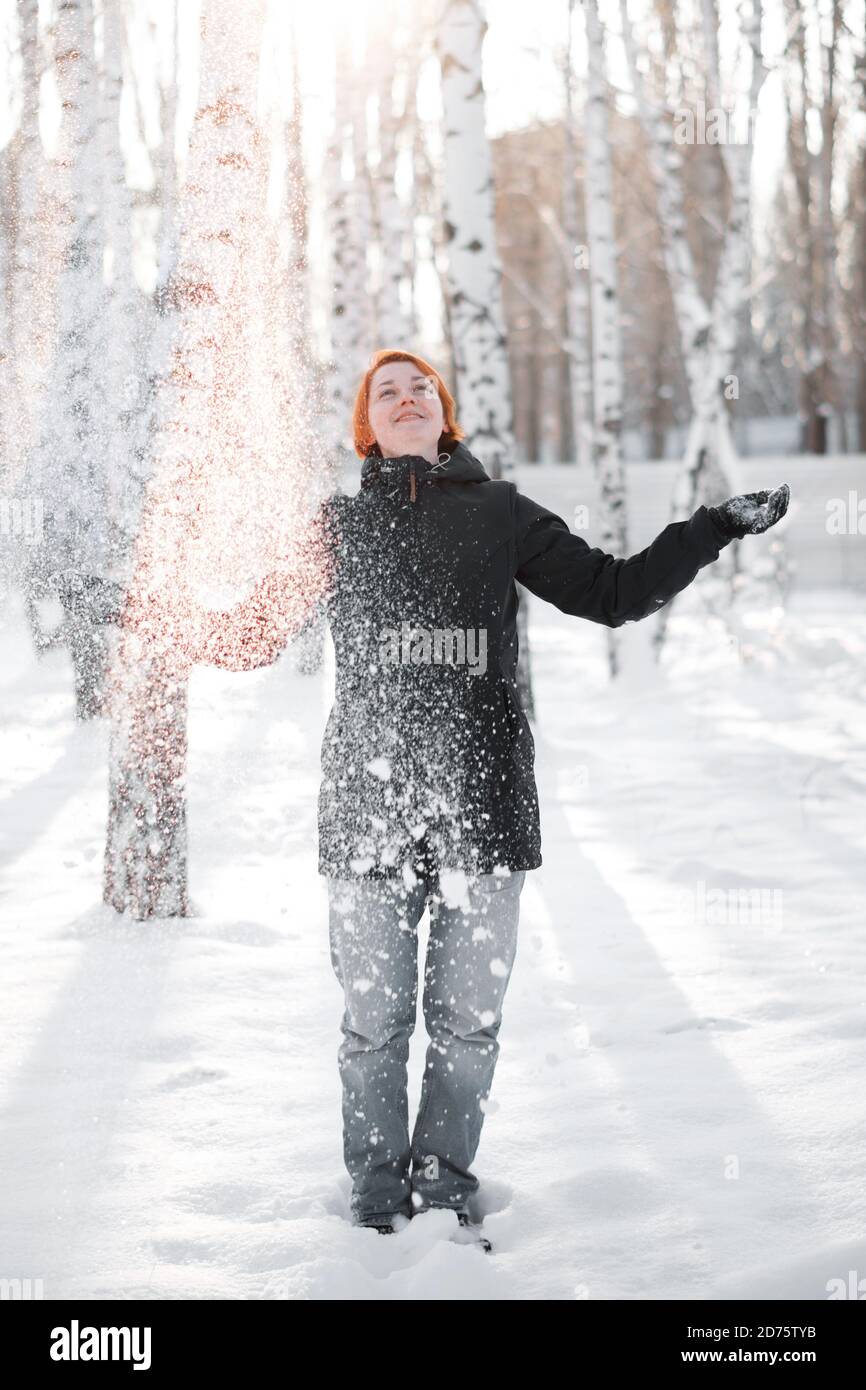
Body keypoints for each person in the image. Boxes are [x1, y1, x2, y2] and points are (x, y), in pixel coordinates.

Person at [100, 348, 791, 1249]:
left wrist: (712, 526)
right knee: (374, 1027)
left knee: (467, 1027)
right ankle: (378, 1197)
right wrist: (151, 612)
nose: (406, 396)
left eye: (419, 385)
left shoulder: (499, 513)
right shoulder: (340, 528)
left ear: (443, 412)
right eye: (386, 392)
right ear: (370, 430)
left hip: (485, 812)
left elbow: (613, 592)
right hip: (368, 815)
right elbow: (250, 633)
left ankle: (446, 1181)